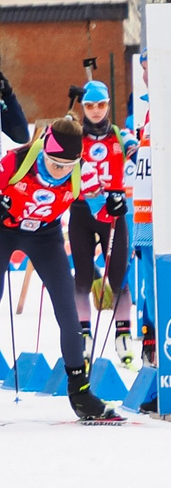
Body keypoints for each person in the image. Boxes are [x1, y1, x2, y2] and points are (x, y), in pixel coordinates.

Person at [2, 118, 112, 419]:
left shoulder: (82, 171)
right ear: (44, 154)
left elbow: (100, 209)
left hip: (45, 236)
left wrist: (113, 206)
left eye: (67, 165)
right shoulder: (16, 162)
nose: (60, 171)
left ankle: (80, 393)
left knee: (68, 311)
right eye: (53, 163)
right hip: (4, 230)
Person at [66, 79, 136, 366]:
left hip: (113, 213)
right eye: (90, 105)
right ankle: (83, 333)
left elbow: (140, 156)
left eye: (102, 105)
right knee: (82, 276)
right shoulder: (74, 137)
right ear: (84, 106)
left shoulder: (121, 135)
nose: (96, 111)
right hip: (81, 212)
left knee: (119, 276)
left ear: (109, 105)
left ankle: (123, 335)